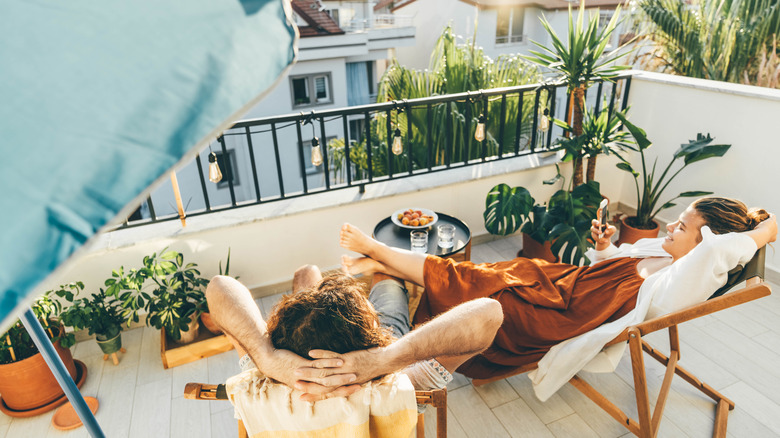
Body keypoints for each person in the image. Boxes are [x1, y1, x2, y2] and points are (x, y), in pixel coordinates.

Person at [334, 197, 776, 400]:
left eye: (681, 227)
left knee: (486, 293)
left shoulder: (685, 277)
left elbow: (721, 250)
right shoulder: (660, 252)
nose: (668, 229)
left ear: (706, 245)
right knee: (482, 271)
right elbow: (613, 265)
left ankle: (382, 255)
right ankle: (387, 265)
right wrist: (604, 246)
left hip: (559, 320)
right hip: (562, 285)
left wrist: (765, 230)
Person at [205, 266, 503, 403]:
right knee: (387, 282)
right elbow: (489, 314)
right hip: (383, 357)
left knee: (306, 274)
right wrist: (385, 358)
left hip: (303, 360)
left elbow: (218, 286)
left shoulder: (263, 389)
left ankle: (328, 298)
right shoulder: (396, 387)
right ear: (372, 337)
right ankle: (381, 271)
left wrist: (267, 359)